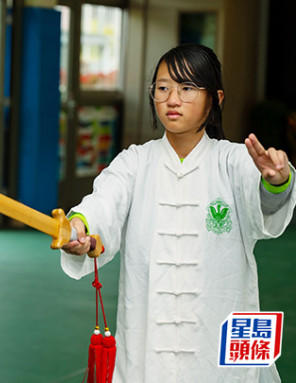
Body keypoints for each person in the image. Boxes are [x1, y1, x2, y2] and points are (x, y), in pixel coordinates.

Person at [60, 43, 294, 383]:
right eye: (163, 87)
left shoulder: (234, 161)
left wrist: (277, 182)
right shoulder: (135, 162)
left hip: (219, 336)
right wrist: (80, 227)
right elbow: (101, 204)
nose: (172, 99)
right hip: (148, 342)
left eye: (187, 88)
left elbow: (267, 209)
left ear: (215, 99)